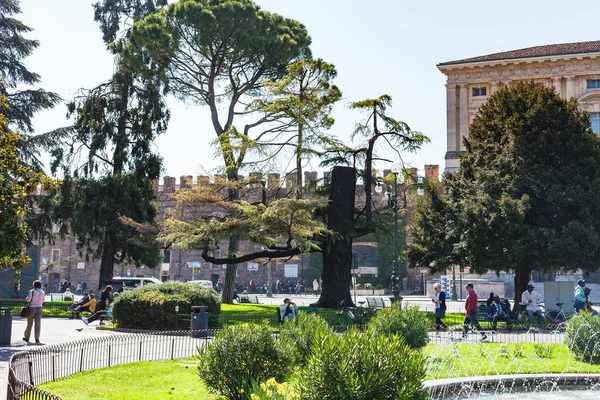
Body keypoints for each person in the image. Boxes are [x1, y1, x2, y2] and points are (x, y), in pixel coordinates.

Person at [23, 280, 45, 344]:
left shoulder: (32, 291)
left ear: (34, 285)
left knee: (29, 324)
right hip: (39, 308)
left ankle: (27, 337)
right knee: (38, 324)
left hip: (32, 308)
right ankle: (37, 338)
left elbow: (28, 300)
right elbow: (43, 300)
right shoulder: (42, 292)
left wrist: (27, 299)